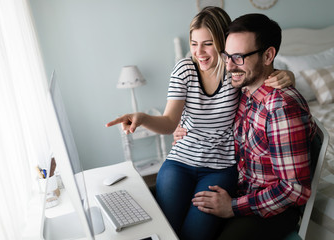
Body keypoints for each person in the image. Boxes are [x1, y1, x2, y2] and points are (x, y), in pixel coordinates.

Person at [106, 7, 294, 240]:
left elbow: (262, 74)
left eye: (207, 44)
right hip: (181, 161)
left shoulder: (235, 72)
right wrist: (142, 118)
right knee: (165, 231)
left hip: (220, 167)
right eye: (194, 43)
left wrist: (289, 75)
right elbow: (168, 122)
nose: (199, 52)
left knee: (194, 235)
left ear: (223, 43)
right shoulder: (184, 69)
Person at [190, 13, 317, 240]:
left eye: (238, 57)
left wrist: (233, 207)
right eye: (227, 56)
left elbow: (294, 190)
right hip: (239, 188)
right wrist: (184, 127)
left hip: (272, 209)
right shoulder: (242, 89)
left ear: (268, 55)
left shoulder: (280, 109)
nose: (229, 66)